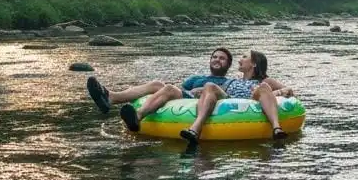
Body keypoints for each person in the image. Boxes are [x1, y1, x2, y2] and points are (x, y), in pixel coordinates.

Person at [86, 47, 233, 121]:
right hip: (186, 97)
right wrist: (192, 90)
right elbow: (181, 88)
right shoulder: (196, 78)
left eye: (222, 58)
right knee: (157, 84)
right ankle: (111, 97)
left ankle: (138, 115)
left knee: (168, 88)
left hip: (204, 101)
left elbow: (227, 96)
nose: (216, 60)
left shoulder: (228, 81)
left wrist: (205, 90)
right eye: (214, 57)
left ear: (228, 65)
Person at [179, 50, 293, 145]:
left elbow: (289, 91)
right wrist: (199, 91)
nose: (239, 60)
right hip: (229, 98)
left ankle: (277, 128)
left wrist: (277, 92)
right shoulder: (234, 79)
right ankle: (195, 129)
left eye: (244, 57)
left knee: (263, 87)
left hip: (252, 98)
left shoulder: (266, 81)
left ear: (253, 64)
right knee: (209, 85)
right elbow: (221, 90)